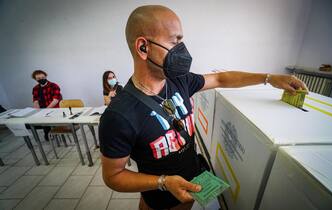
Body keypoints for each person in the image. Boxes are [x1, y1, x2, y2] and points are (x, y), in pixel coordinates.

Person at [99, 5, 307, 210]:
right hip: (159, 203)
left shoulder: (180, 81)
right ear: (143, 47)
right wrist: (163, 182)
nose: (183, 50)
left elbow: (221, 78)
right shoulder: (119, 115)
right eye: (175, 41)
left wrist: (269, 78)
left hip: (191, 191)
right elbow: (113, 176)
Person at [32, 70, 62, 141]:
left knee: (49, 117)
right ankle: (47, 132)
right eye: (38, 78)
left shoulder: (54, 86)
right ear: (35, 79)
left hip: (54, 109)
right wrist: (38, 110)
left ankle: (54, 131)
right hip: (42, 109)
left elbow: (55, 100)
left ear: (45, 76)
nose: (41, 79)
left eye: (43, 77)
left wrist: (46, 110)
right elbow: (35, 101)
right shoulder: (35, 88)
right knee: (39, 119)